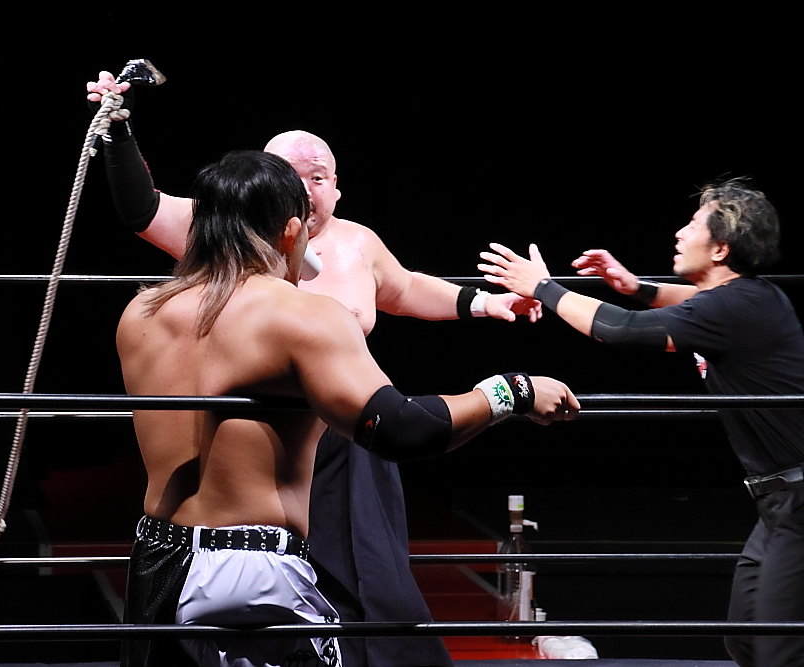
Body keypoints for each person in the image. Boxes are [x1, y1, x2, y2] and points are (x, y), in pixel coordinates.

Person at [87, 71, 540, 667]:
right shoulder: (305, 314)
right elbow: (403, 428)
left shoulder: (141, 311)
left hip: (159, 552)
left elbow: (404, 288)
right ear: (290, 228)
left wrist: (481, 302)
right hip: (257, 555)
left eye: (317, 176)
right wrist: (513, 391)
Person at [477, 179, 804, 667]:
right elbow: (688, 303)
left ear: (720, 249)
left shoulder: (737, 306)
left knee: (779, 650)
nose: (679, 233)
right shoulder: (747, 298)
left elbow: (620, 329)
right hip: (778, 502)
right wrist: (635, 288)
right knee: (746, 641)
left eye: (693, 225)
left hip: (797, 500)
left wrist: (543, 288)